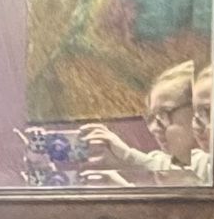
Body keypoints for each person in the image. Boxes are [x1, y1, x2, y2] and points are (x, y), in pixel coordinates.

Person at [77, 58, 206, 186]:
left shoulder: (208, 166)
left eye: (164, 113)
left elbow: (187, 183)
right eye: (151, 118)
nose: (154, 129)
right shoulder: (166, 161)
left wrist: (127, 160)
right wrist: (124, 157)